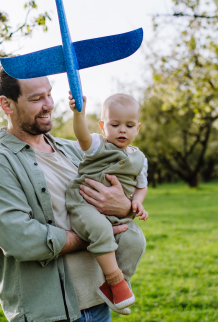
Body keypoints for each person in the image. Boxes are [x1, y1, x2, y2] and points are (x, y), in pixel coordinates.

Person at [0, 67, 135, 322]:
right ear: (6, 104)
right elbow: (20, 238)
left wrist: (125, 207)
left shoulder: (75, 151)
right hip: (50, 314)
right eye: (37, 99)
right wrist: (93, 235)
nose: (49, 105)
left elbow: (120, 194)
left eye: (49, 94)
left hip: (100, 303)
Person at [66, 93, 148, 313]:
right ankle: (114, 279)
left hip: (117, 213)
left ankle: (118, 283)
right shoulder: (96, 145)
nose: (122, 130)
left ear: (137, 128)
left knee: (135, 239)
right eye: (115, 124)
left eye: (129, 125)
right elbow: (81, 136)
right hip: (84, 204)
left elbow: (141, 186)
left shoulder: (140, 159)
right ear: (103, 126)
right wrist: (78, 115)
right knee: (100, 229)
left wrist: (137, 203)